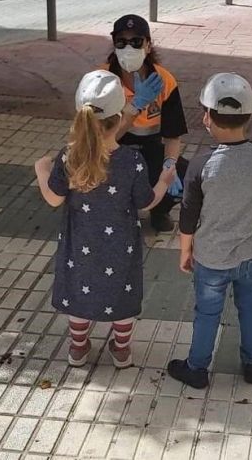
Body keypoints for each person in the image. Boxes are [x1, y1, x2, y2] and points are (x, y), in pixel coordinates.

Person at [34, 70, 175, 368]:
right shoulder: (131, 160)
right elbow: (147, 203)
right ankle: (121, 350)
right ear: (119, 116)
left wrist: (42, 171)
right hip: (120, 246)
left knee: (79, 291)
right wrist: (164, 179)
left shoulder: (68, 157)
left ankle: (78, 348)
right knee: (121, 295)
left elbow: (53, 198)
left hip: (78, 245)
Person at [167, 73, 252, 389]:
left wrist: (186, 251)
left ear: (209, 118)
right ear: (248, 115)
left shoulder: (202, 165)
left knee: (207, 313)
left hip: (213, 257)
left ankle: (198, 368)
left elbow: (188, 216)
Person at [105, 14, 188, 233]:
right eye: (121, 42)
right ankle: (113, 211)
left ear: (148, 45)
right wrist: (135, 107)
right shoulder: (101, 81)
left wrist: (170, 166)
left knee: (186, 173)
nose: (128, 48)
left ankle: (159, 210)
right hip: (112, 150)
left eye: (136, 41)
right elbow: (101, 142)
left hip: (149, 148)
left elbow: (173, 135)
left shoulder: (164, 81)